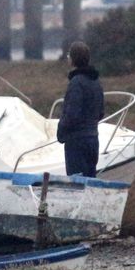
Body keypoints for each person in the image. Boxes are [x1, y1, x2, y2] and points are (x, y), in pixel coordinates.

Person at [57, 41, 104, 178]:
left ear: (73, 59)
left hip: (77, 143)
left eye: (68, 55)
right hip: (93, 140)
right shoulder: (96, 81)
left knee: (77, 183)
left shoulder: (76, 82)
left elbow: (72, 114)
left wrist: (61, 129)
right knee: (90, 181)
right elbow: (101, 112)